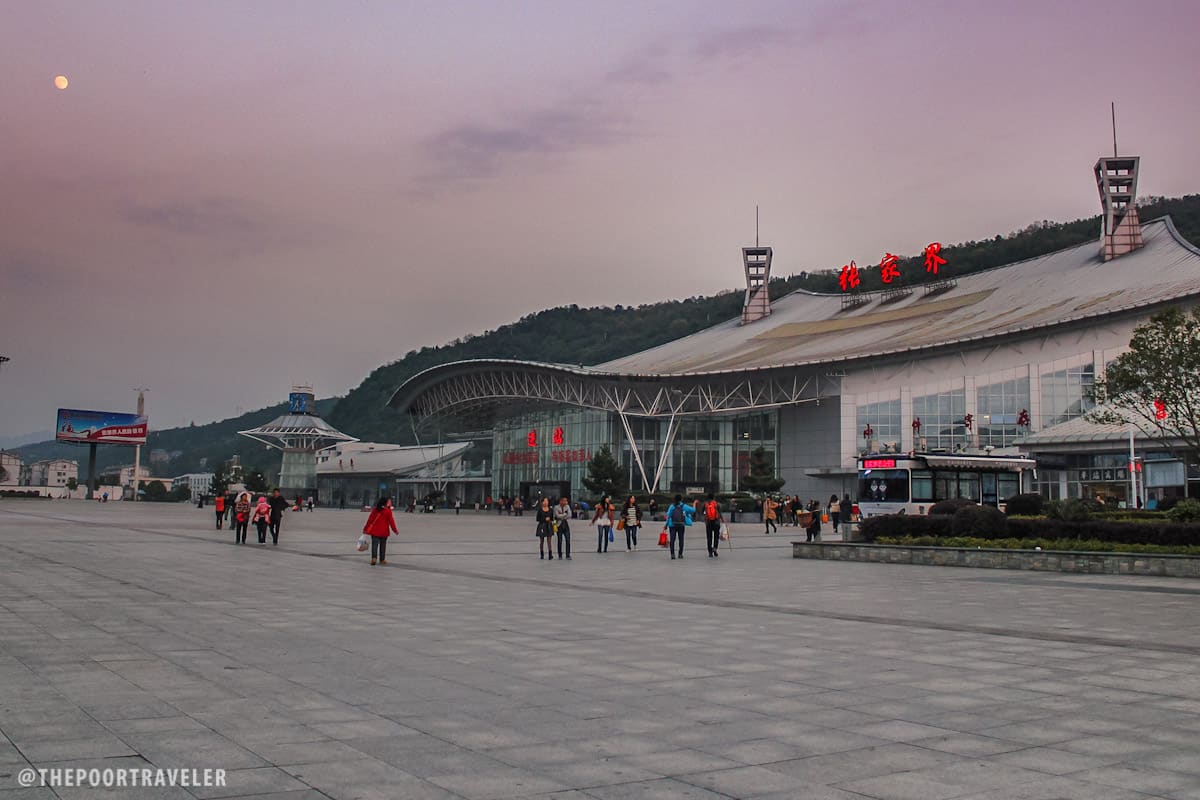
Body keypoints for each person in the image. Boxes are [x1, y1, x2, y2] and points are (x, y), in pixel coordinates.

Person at [363, 495, 398, 565]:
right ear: (385, 503)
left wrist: (365, 529)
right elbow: (391, 522)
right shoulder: (387, 511)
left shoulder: (375, 510)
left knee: (374, 545)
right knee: (383, 546)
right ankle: (382, 559)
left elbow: (370, 520)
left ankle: (374, 559)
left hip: (375, 531)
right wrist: (395, 530)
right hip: (384, 532)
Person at [664, 494, 694, 559]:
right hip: (681, 524)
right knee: (681, 539)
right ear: (681, 499)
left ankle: (672, 554)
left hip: (672, 525)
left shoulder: (672, 506)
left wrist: (666, 525)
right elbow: (693, 510)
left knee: (672, 539)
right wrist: (694, 504)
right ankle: (680, 554)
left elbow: (668, 516)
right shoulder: (684, 506)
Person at [702, 493, 724, 557]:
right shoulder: (717, 504)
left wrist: (705, 519)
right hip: (716, 522)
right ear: (713, 498)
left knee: (709, 537)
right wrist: (722, 520)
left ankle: (710, 552)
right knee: (716, 537)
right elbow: (720, 513)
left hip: (708, 523)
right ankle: (715, 548)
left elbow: (702, 512)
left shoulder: (705, 504)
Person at [554, 495, 572, 559]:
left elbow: (569, 515)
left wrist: (562, 515)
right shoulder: (556, 507)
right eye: (564, 501)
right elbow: (557, 516)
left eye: (566, 501)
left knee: (568, 540)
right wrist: (564, 514)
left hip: (565, 524)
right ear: (561, 501)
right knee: (560, 540)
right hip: (559, 525)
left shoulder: (567, 507)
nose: (566, 502)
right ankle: (560, 555)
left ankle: (568, 555)